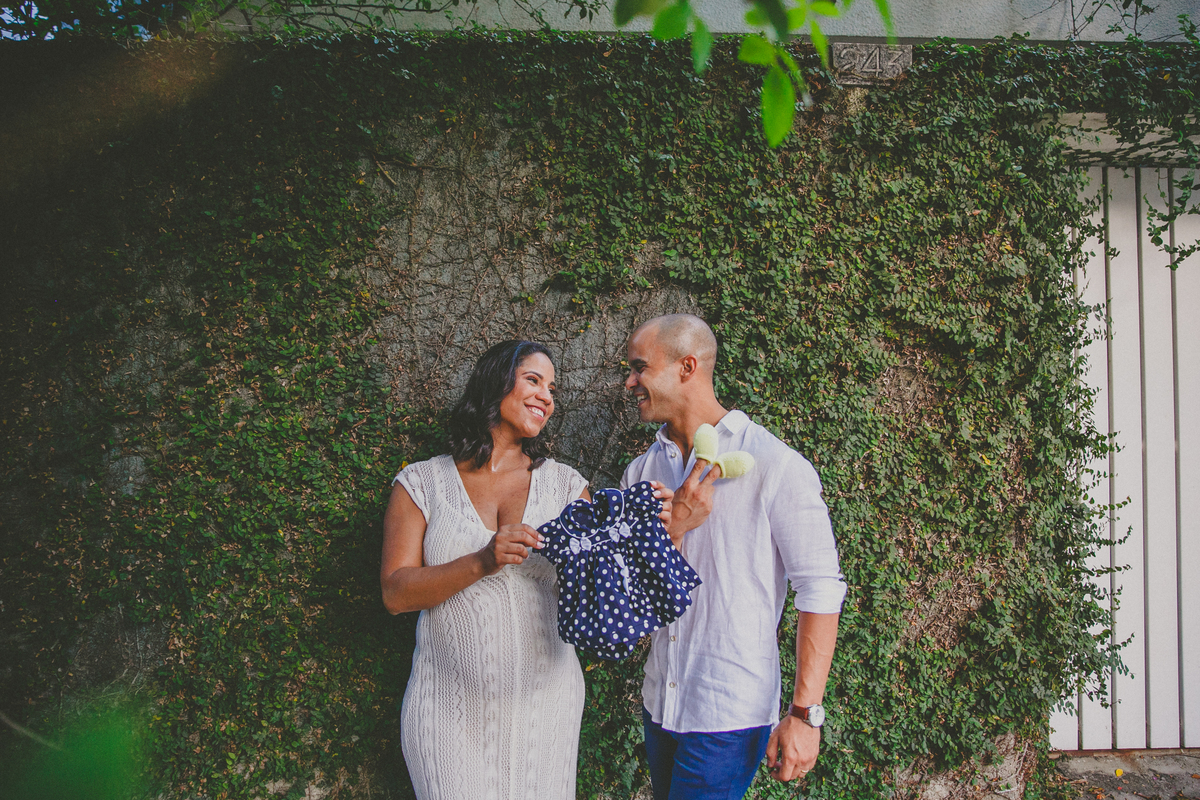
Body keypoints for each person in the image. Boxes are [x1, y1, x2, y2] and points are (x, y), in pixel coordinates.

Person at [380, 339, 673, 800]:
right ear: (495, 383)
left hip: (548, 705)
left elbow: (608, 586)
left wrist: (657, 528)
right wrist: (481, 560)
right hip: (447, 710)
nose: (546, 396)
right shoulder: (422, 483)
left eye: (552, 388)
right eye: (533, 380)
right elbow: (396, 594)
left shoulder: (565, 485)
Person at [620, 314, 848, 800]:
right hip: (660, 703)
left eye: (639, 367)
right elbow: (632, 595)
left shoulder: (776, 465)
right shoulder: (641, 472)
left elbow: (821, 589)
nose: (629, 382)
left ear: (686, 366)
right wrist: (674, 527)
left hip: (729, 713)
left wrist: (806, 715)